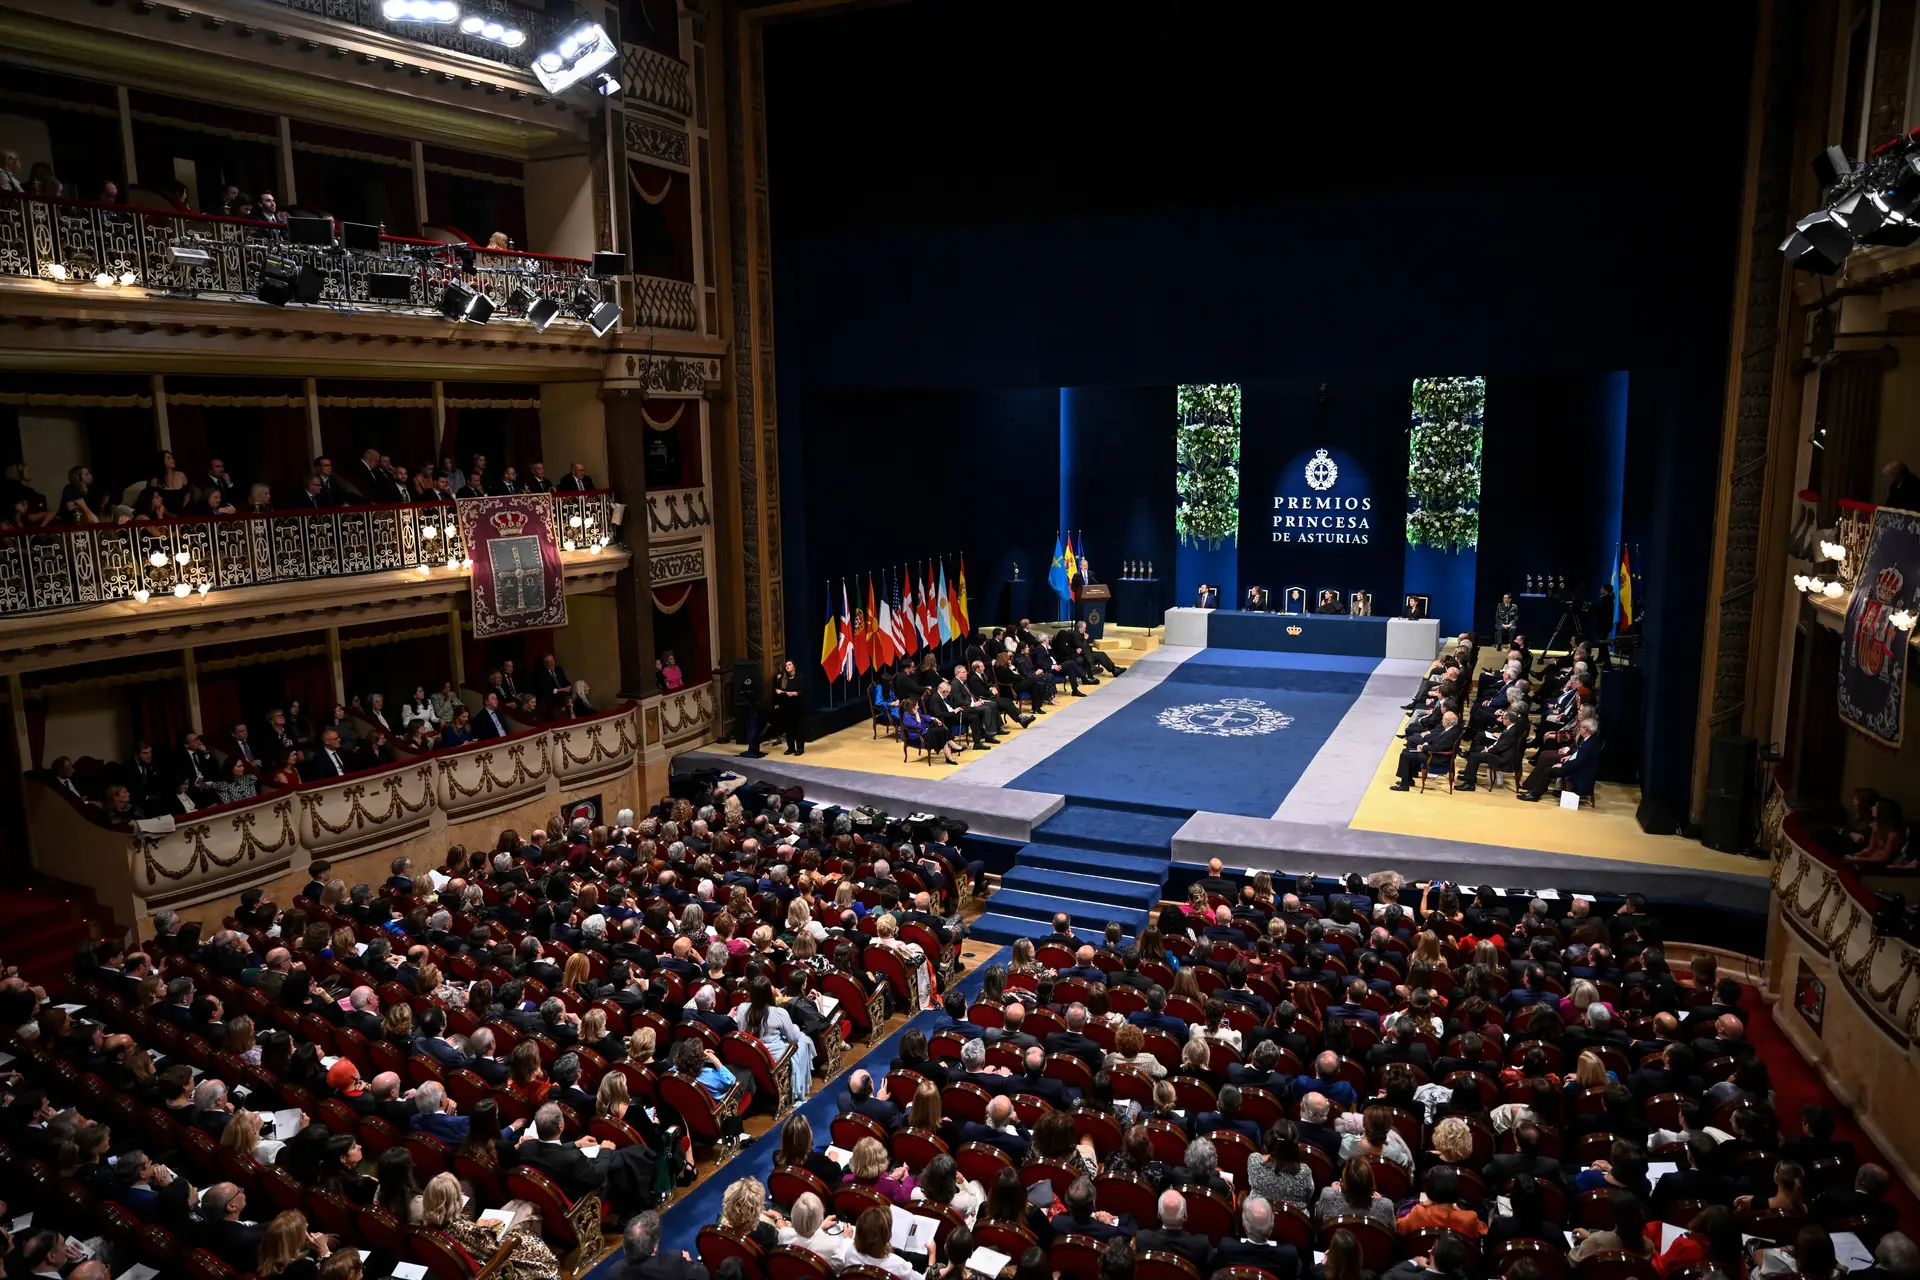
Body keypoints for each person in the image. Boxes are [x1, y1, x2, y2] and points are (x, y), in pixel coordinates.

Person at [1391, 709, 1462, 790]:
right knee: (1406, 751)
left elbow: (1438, 747)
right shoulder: (1450, 730)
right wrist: (1426, 744)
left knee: (1405, 755)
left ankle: (1404, 785)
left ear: (1447, 722)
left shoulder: (1451, 734)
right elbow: (1438, 741)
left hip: (1437, 758)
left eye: (1443, 719)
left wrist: (1423, 748)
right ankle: (1408, 780)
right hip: (1435, 754)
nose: (1442, 721)